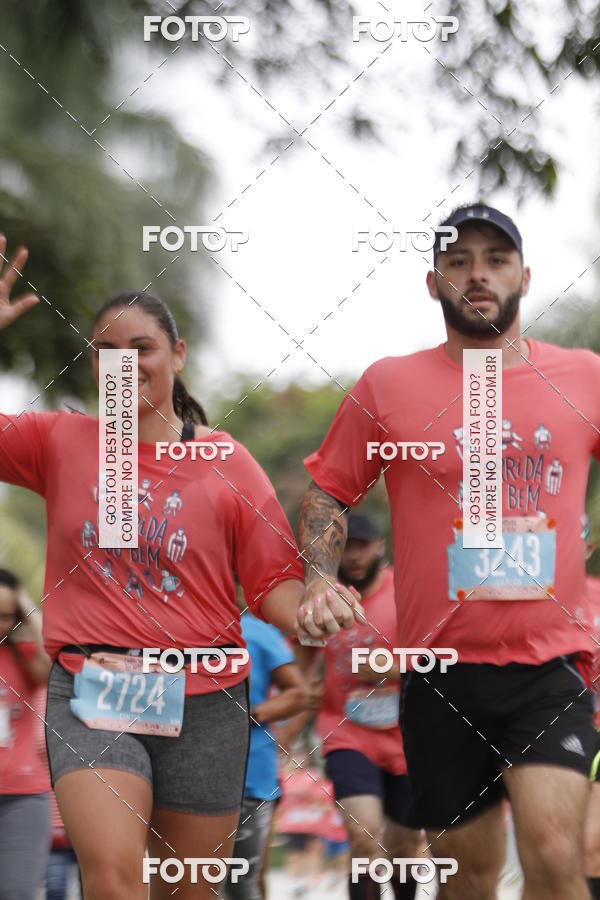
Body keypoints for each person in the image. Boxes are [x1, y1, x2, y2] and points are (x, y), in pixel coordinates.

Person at [0, 235, 362, 900]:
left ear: (177, 355)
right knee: (113, 878)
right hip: (91, 688)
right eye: (107, 352)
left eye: (141, 348)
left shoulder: (225, 461)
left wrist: (315, 603)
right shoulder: (60, 441)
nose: (125, 363)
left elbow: (273, 585)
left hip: (208, 700)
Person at [297, 203, 600, 900]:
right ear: (433, 283)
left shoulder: (582, 377)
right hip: (439, 671)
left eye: (495, 259)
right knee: (468, 876)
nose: (478, 275)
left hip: (550, 664)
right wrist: (318, 579)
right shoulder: (388, 386)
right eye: (458, 261)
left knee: (555, 856)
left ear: (525, 275)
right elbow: (326, 494)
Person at [286, 513, 421, 899]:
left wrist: (391, 669)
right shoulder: (323, 599)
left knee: (404, 850)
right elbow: (302, 669)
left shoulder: (406, 591)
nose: (355, 557)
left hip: (407, 736)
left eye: (362, 546)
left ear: (380, 546)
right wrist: (288, 730)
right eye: (346, 549)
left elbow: (435, 663)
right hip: (347, 734)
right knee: (363, 838)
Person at [224, 589, 308, 900]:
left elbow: (299, 693)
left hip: (251, 782)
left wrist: (250, 714)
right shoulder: (184, 630)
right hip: (192, 781)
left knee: (243, 884)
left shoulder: (257, 632)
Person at [0, 567, 52, 900]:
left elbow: (57, 660)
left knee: (16, 892)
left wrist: (28, 607)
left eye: (5, 616)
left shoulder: (25, 658)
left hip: (23, 798)